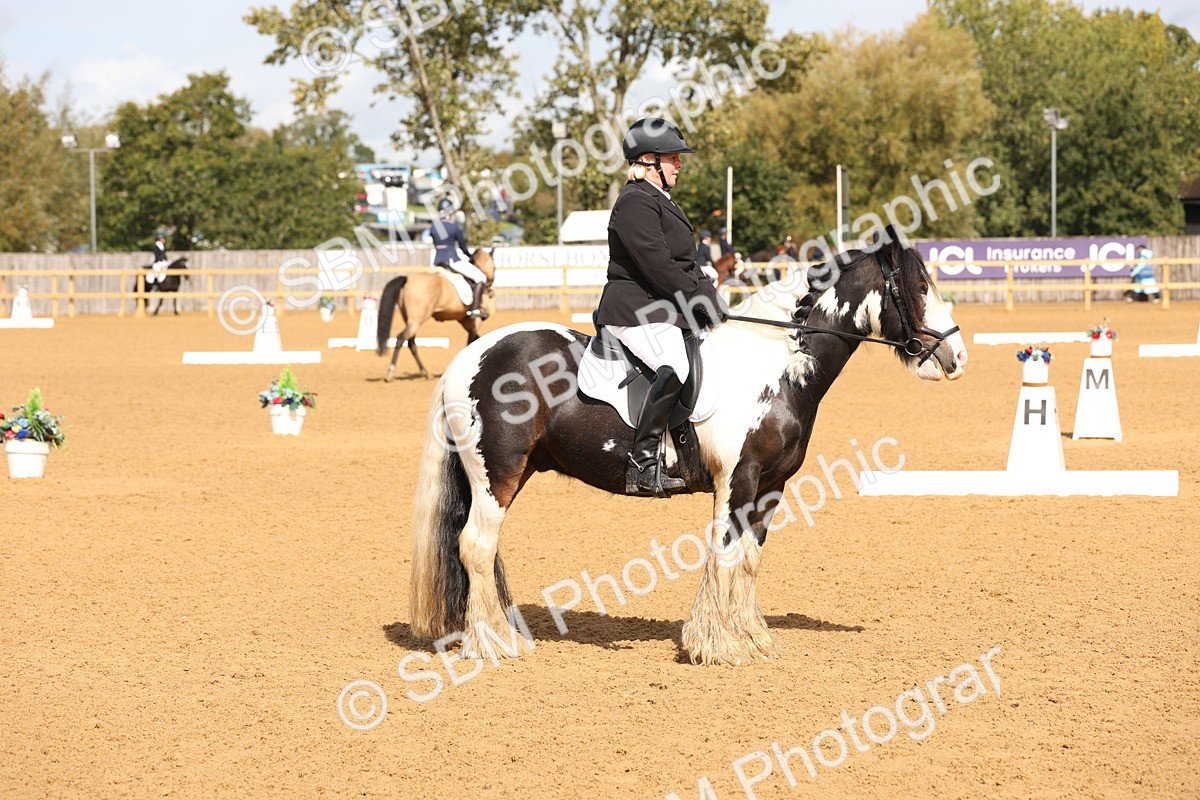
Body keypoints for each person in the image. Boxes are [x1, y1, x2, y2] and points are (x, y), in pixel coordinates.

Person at [595, 117, 726, 497]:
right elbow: (658, 265)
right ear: (649, 161)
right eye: (673, 158)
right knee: (676, 366)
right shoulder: (634, 203)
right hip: (633, 310)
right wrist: (697, 299)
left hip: (660, 308)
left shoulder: (659, 200)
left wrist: (713, 299)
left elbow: (686, 264)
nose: (679, 164)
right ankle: (643, 463)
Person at [431, 199, 488, 319]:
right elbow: (463, 247)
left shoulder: (434, 227)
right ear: (449, 212)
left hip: (437, 261)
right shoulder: (454, 228)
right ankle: (475, 309)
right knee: (481, 277)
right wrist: (470, 257)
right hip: (452, 260)